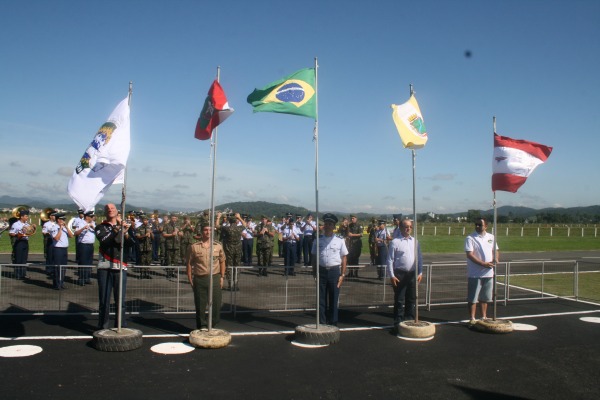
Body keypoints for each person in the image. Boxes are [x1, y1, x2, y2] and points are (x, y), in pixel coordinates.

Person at [94, 203, 134, 329]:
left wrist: (126, 232)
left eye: (112, 208)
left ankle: (120, 326)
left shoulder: (124, 226)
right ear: (105, 212)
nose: (110, 210)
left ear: (117, 212)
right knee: (104, 300)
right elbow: (105, 241)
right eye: (107, 209)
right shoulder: (101, 227)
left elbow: (132, 243)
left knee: (120, 301)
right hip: (105, 268)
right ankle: (103, 327)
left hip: (120, 267)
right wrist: (118, 229)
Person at [186, 223, 226, 330]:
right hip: (200, 278)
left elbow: (222, 261)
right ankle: (202, 325)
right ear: (201, 232)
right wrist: (190, 278)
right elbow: (189, 263)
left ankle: (212, 324)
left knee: (216, 304)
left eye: (210, 230)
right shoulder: (194, 247)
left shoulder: (218, 246)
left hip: (215, 278)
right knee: (200, 304)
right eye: (205, 230)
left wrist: (222, 277)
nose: (208, 232)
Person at [312, 213, 348, 326]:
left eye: (330, 224)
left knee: (333, 299)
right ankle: (321, 322)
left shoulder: (340, 240)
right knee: (321, 299)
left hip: (334, 272)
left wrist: (342, 275)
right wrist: (314, 273)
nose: (327, 226)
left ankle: (333, 322)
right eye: (326, 224)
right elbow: (314, 257)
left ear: (334, 226)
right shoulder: (318, 240)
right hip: (321, 271)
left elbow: (344, 257)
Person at [387, 218, 423, 330]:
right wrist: (392, 275)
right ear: (401, 228)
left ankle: (409, 320)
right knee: (399, 300)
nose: (408, 228)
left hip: (412, 274)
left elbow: (419, 258)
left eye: (410, 227)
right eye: (406, 226)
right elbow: (389, 260)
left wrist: (420, 272)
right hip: (399, 275)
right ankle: (398, 322)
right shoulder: (395, 242)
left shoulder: (415, 241)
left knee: (411, 299)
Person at [465, 218, 499, 324]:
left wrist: (496, 258)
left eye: (480, 225)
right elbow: (469, 254)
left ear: (486, 226)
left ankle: (484, 317)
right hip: (475, 274)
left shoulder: (491, 237)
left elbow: (495, 250)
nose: (478, 226)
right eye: (476, 224)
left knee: (485, 297)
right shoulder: (470, 238)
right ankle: (472, 318)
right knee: (473, 298)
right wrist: (483, 264)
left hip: (488, 273)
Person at [217, 212, 246, 291]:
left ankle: (230, 284)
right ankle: (236, 284)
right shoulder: (239, 228)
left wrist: (218, 217)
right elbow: (245, 224)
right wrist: (239, 217)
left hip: (229, 249)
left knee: (229, 267)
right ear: (236, 221)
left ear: (229, 221)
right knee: (237, 266)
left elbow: (217, 226)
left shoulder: (227, 228)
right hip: (238, 249)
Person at [50, 213, 74, 290]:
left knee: (63, 267)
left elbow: (71, 236)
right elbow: (56, 238)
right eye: (62, 219)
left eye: (64, 220)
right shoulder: (54, 228)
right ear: (58, 220)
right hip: (58, 249)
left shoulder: (64, 228)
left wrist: (66, 227)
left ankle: (61, 282)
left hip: (64, 249)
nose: (64, 221)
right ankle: (57, 284)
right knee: (57, 267)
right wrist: (60, 229)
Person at [9, 209, 35, 279]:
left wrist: (33, 228)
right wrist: (17, 235)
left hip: (25, 242)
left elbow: (30, 232)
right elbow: (11, 233)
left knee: (24, 259)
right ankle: (17, 274)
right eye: (26, 216)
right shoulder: (16, 224)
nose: (27, 217)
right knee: (18, 259)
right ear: (22, 217)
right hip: (19, 242)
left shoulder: (27, 224)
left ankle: (23, 274)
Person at [74, 210, 96, 285]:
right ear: (87, 217)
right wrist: (83, 228)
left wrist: (93, 227)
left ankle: (87, 277)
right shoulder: (81, 223)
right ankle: (81, 278)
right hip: (83, 245)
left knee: (89, 262)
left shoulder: (93, 223)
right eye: (91, 217)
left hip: (90, 245)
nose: (93, 218)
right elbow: (76, 233)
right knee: (83, 262)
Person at [135, 215, 153, 279]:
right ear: (142, 221)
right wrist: (145, 235)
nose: (145, 221)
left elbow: (153, 238)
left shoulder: (150, 228)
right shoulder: (139, 228)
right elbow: (137, 237)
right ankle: (142, 274)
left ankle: (147, 273)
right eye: (144, 220)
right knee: (142, 261)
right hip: (142, 246)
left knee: (148, 261)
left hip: (149, 246)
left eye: (146, 220)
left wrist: (151, 233)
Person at [42, 211, 57, 275]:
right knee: (49, 255)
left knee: (55, 255)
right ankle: (49, 269)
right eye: (53, 215)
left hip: (56, 241)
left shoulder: (57, 223)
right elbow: (44, 232)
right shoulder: (46, 224)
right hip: (49, 239)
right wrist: (48, 233)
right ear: (50, 216)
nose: (55, 217)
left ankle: (54, 269)